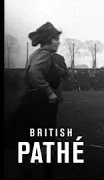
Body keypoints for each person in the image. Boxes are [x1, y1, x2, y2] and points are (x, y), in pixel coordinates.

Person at [5, 22, 67, 179]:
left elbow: (45, 69)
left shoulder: (39, 54)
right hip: (42, 104)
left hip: (33, 102)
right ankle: (33, 167)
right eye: (56, 39)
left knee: (40, 140)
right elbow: (34, 73)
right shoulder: (45, 54)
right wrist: (49, 92)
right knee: (47, 141)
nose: (59, 42)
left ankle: (35, 166)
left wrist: (62, 72)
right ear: (49, 40)